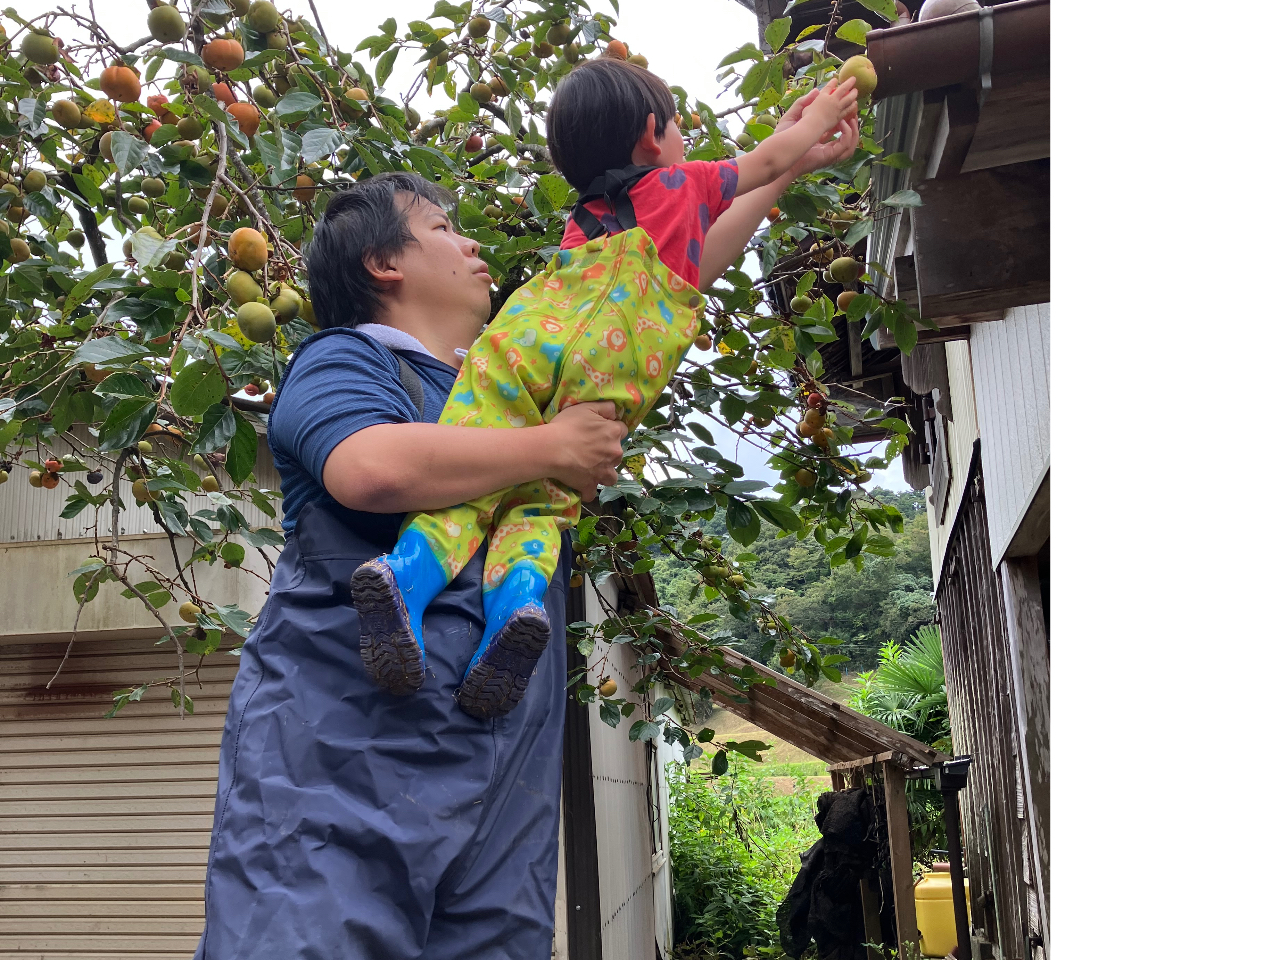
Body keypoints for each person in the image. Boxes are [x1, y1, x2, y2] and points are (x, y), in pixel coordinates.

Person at [193, 171, 628, 960]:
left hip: (503, 779)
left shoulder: (504, 395)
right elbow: (368, 468)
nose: (473, 246)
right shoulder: (348, 359)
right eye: (443, 227)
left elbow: (659, 278)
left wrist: (784, 162)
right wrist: (553, 448)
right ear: (381, 264)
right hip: (337, 765)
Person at [353, 58, 862, 722]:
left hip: (524, 341)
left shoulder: (585, 223)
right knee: (543, 503)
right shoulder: (680, 182)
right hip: (604, 373)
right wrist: (814, 122)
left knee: (475, 474)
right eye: (679, 128)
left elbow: (700, 253)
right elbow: (761, 166)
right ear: (654, 135)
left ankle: (406, 578)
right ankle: (516, 606)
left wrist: (792, 157)